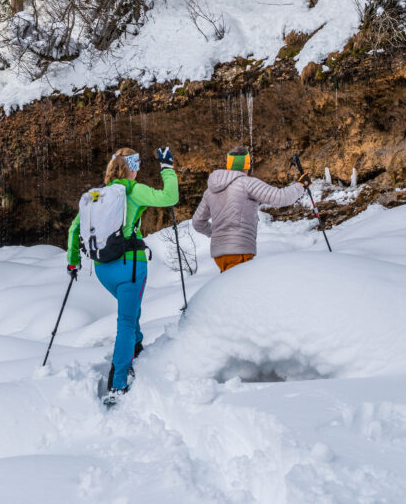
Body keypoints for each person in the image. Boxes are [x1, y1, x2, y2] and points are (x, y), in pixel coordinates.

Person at [67, 146, 178, 400]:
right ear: (132, 167)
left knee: (130, 311)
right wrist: (167, 168)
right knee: (126, 321)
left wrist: (73, 263)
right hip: (130, 266)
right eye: (136, 164)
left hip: (103, 269)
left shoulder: (97, 195)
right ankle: (118, 383)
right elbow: (169, 198)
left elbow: (75, 229)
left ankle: (136, 345)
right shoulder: (133, 190)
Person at [192, 146, 306, 273]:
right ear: (246, 165)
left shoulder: (210, 191)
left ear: (228, 164)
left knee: (230, 287)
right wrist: (301, 185)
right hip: (239, 251)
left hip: (219, 255)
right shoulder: (247, 184)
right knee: (240, 289)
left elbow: (197, 222)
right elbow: (281, 197)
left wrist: (218, 234)